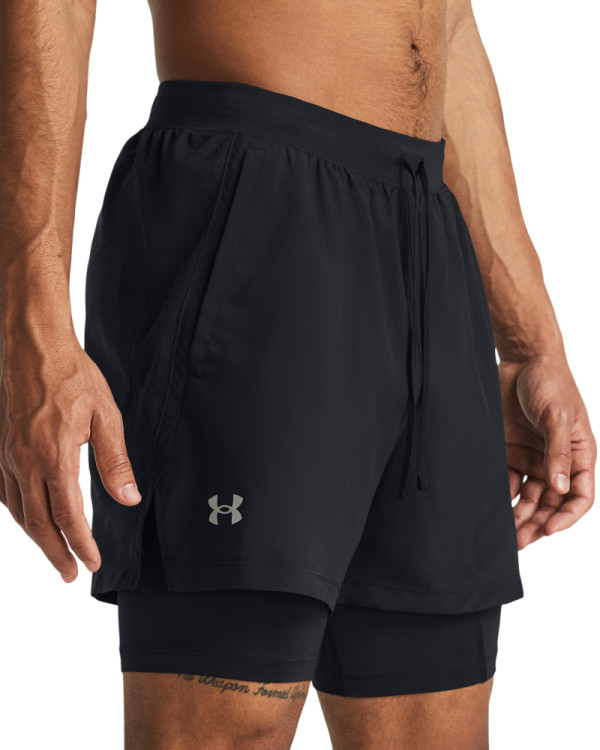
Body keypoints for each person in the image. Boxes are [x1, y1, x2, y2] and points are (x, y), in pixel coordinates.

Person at [0, 0, 595, 748]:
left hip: (428, 233)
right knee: (230, 727)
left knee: (435, 730)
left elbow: (447, 22)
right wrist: (31, 326)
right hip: (256, 200)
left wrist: (534, 344)